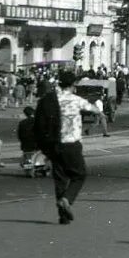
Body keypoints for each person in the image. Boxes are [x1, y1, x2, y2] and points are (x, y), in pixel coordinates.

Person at [35, 70, 100, 225]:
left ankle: (63, 216)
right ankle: (67, 199)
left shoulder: (50, 100)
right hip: (72, 144)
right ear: (73, 84)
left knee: (60, 179)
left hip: (55, 143)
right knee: (79, 175)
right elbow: (94, 109)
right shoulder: (76, 100)